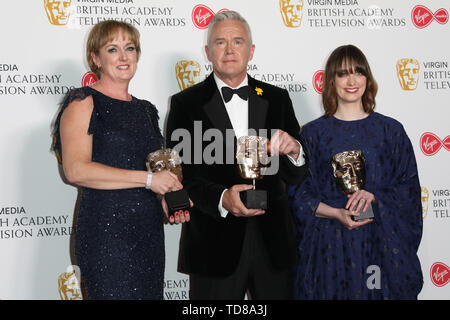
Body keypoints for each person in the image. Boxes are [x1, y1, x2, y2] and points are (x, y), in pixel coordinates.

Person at [166, 10, 307, 299]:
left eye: (238, 41)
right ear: (207, 51)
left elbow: (296, 175)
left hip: (273, 244)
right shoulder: (185, 103)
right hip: (212, 244)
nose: (230, 49)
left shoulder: (277, 98)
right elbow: (182, 176)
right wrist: (222, 198)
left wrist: (295, 151)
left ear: (251, 50)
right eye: (220, 42)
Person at [51, 20, 189, 299]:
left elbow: (152, 167)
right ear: (95, 58)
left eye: (130, 48)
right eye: (113, 49)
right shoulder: (84, 103)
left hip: (147, 233)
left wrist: (168, 200)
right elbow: (76, 170)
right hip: (106, 236)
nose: (124, 57)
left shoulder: (146, 110)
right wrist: (150, 180)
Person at [288, 44, 423, 299]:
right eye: (342, 73)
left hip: (379, 246)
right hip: (330, 248)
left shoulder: (390, 131)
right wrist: (336, 213)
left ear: (367, 78)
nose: (351, 80)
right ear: (331, 80)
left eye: (358, 72)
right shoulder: (312, 134)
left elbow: (409, 190)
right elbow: (298, 194)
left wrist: (376, 197)